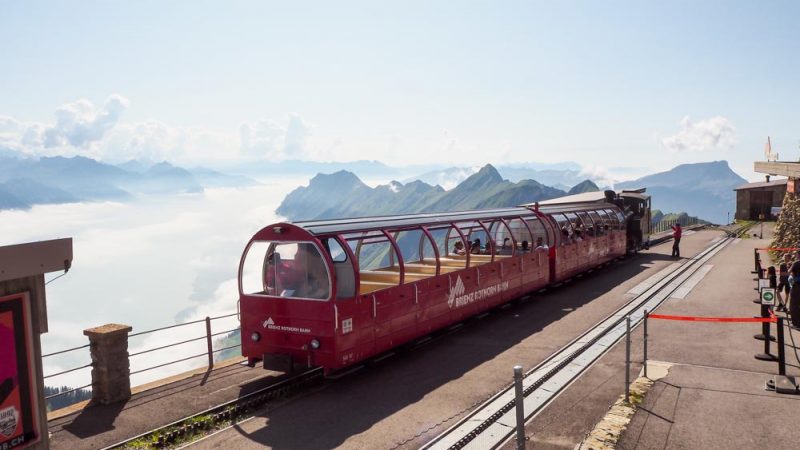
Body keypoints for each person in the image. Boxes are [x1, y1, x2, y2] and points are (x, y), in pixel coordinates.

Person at [790, 251, 800, 328]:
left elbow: (789, 272)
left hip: (797, 286)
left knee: (794, 305)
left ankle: (796, 323)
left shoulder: (796, 263)